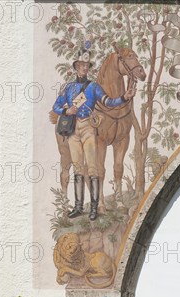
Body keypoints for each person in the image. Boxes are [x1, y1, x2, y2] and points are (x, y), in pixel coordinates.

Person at [53, 49, 135, 221]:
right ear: (76, 67)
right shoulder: (68, 87)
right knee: (78, 167)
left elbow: (109, 102)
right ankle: (78, 206)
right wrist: (67, 110)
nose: (84, 68)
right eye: (81, 65)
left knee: (92, 167)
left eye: (86, 66)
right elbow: (56, 107)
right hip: (73, 129)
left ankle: (95, 206)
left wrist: (124, 98)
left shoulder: (93, 87)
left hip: (89, 127)